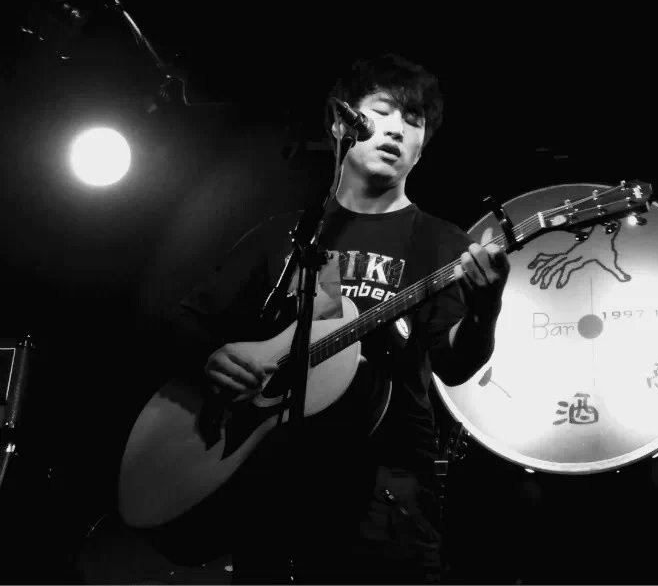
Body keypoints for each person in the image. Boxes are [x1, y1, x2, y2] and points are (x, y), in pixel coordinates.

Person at [168, 53, 510, 584]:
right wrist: (211, 358)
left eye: (413, 121)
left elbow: (455, 363)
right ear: (340, 122)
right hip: (270, 480)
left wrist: (486, 307)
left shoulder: (442, 243)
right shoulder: (286, 235)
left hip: (385, 487)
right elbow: (185, 323)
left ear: (422, 147)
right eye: (383, 111)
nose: (396, 129)